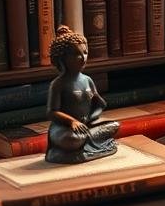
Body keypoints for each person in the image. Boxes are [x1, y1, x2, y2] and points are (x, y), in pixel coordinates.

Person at [44, 25, 119, 164]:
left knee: (115, 125)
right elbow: (51, 112)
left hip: (86, 124)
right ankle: (84, 145)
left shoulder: (87, 80)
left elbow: (97, 103)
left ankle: (87, 142)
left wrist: (97, 105)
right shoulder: (58, 84)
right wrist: (71, 121)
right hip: (64, 129)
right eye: (76, 54)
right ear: (62, 58)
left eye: (85, 52)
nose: (83, 58)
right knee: (72, 140)